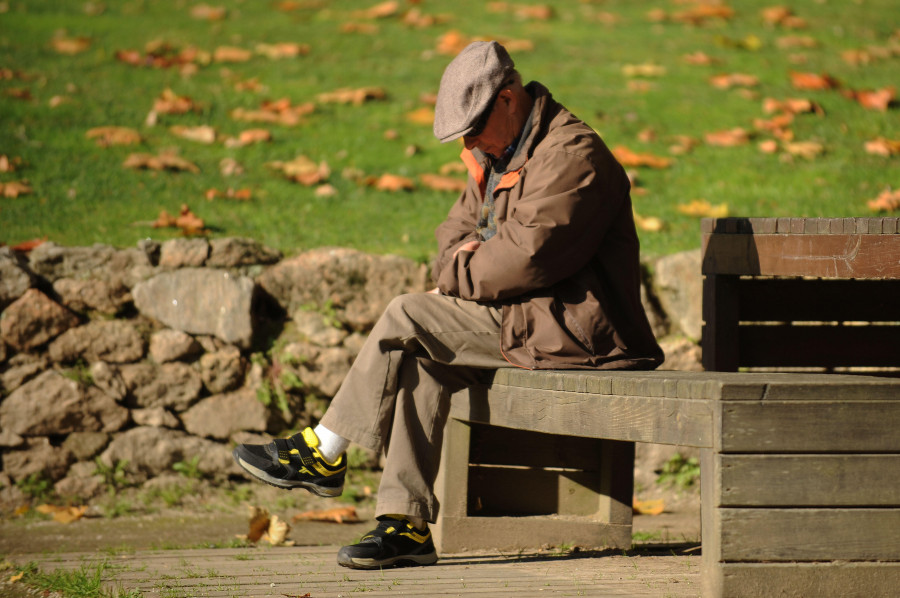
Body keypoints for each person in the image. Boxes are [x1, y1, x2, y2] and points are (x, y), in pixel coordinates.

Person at [233, 40, 664, 570]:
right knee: (420, 359)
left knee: (407, 314)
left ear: (509, 98)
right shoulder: (498, 150)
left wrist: (461, 271)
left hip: (582, 337)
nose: (469, 141)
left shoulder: (572, 157)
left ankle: (323, 450)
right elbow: (453, 235)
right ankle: (404, 527)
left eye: (474, 127)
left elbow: (526, 259)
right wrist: (463, 264)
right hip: (531, 319)